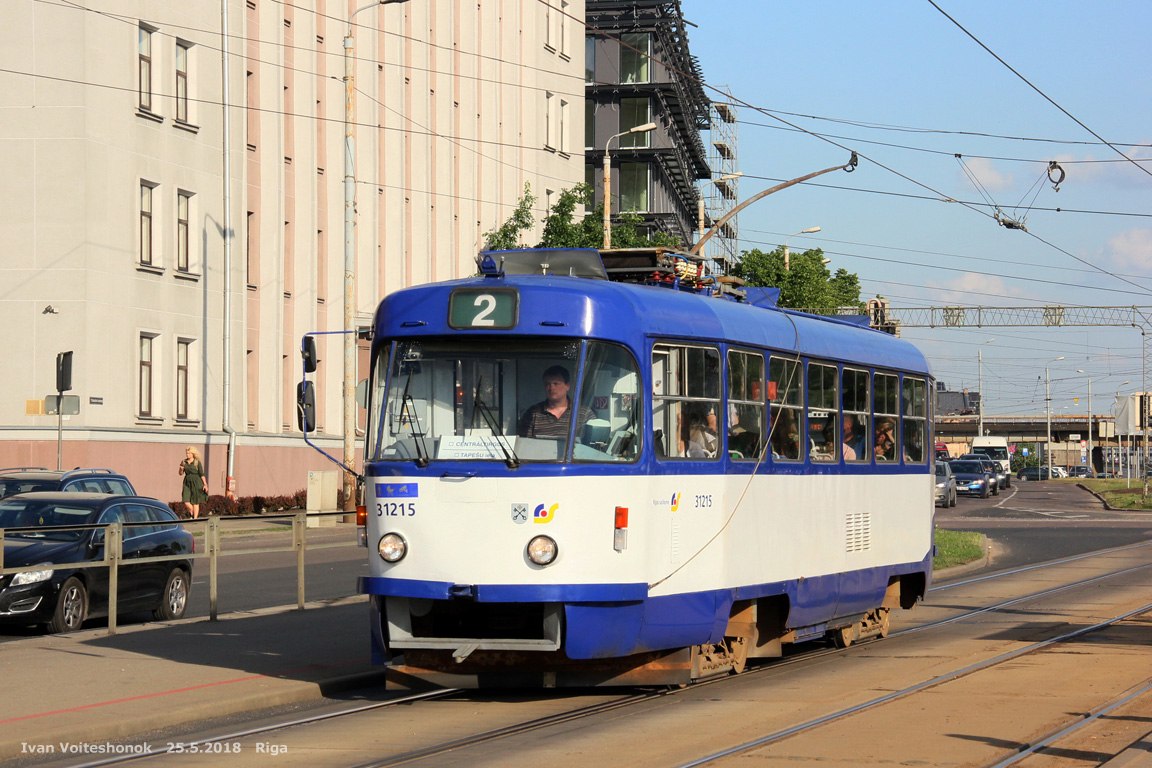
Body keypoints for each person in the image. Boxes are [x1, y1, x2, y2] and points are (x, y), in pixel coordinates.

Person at [518, 365, 595, 440]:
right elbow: (524, 445)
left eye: (556, 384)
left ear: (567, 386)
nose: (551, 388)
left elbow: (596, 445)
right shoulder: (533, 413)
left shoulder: (584, 413)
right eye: (547, 384)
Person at [179, 446, 209, 519]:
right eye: (187, 453)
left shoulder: (197, 462)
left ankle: (194, 518)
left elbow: (201, 474)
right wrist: (181, 469)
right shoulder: (184, 462)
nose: (187, 454)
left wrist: (205, 484)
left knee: (195, 502)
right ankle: (192, 512)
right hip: (187, 481)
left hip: (196, 481)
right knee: (186, 500)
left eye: (189, 453)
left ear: (193, 454)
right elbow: (180, 473)